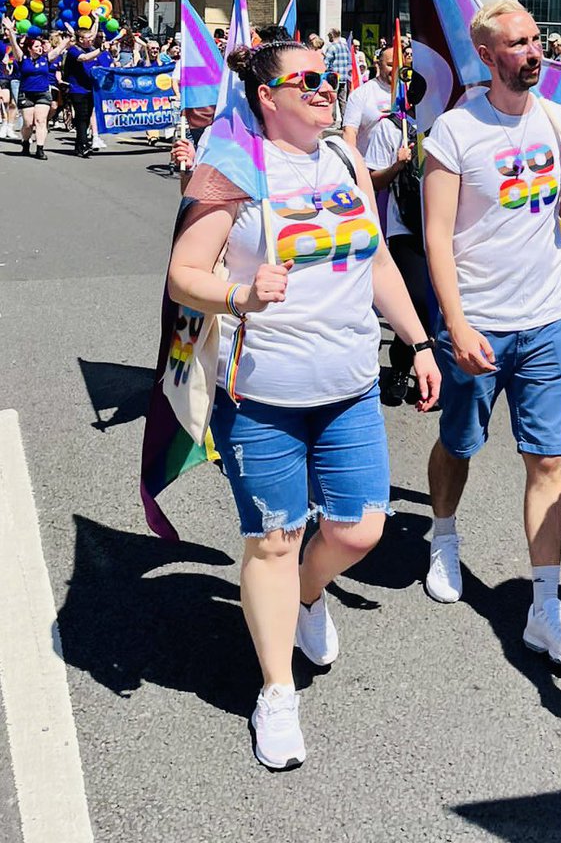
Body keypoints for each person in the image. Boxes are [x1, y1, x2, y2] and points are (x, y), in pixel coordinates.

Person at [166, 38, 440, 770]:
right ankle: (276, 691)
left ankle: (308, 600)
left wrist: (415, 341)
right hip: (261, 392)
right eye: (307, 81)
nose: (325, 89)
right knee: (274, 541)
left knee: (358, 532)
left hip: (347, 385)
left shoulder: (345, 160)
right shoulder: (231, 167)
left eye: (331, 79)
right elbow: (183, 273)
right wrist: (239, 294)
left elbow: (376, 257)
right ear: (267, 96)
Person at [420, 0, 561, 664]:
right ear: (488, 57)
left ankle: (545, 607)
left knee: (547, 460)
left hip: (546, 321)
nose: (533, 52)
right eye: (518, 44)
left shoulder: (558, 121)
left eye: (535, 39)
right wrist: (456, 324)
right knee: (459, 444)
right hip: (478, 323)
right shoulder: (456, 131)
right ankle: (442, 536)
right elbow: (437, 236)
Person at [363, 109, 433, 407]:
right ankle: (401, 368)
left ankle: (428, 372)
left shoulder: (451, 120)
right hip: (405, 224)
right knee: (415, 298)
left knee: (436, 303)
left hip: (447, 226)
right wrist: (398, 164)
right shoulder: (390, 127)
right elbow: (373, 181)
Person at [3, 22, 71, 160]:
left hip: (42, 93)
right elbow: (15, 46)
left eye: (41, 47)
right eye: (37, 47)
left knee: (40, 120)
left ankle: (40, 149)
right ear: (30, 48)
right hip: (26, 93)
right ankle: (25, 143)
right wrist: (10, 31)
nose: (40, 49)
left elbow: (59, 49)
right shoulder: (23, 58)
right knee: (28, 123)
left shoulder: (46, 59)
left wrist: (69, 37)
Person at [63, 21, 110, 157]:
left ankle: (79, 145)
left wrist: (96, 20)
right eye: (88, 39)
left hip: (90, 88)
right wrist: (101, 50)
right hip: (77, 89)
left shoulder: (90, 48)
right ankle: (83, 144)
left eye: (91, 38)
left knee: (86, 116)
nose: (91, 40)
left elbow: (93, 34)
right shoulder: (73, 50)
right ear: (81, 39)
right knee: (82, 117)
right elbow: (84, 58)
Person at [342, 43, 395, 155]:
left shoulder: (409, 94)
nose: (395, 69)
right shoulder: (361, 93)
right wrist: (354, 164)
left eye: (399, 64)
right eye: (390, 64)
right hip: (369, 166)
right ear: (379, 65)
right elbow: (349, 131)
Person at [321, 28, 353, 119]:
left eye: (329, 36)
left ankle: (332, 119)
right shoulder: (345, 47)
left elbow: (325, 63)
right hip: (344, 76)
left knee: (332, 98)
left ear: (332, 35)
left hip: (333, 77)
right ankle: (345, 120)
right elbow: (349, 61)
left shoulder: (332, 47)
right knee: (343, 100)